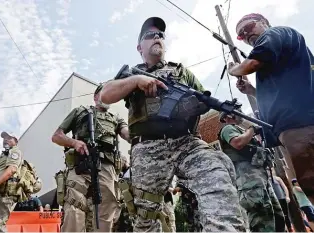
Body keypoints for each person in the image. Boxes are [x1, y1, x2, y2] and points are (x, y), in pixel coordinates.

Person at [99, 16, 246, 232]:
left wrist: (225, 114)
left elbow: (205, 101)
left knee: (217, 179)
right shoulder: (130, 75)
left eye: (160, 35)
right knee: (146, 215)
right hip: (148, 149)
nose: (157, 37)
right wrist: (136, 81)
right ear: (140, 47)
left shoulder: (181, 72)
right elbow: (105, 95)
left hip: (186, 143)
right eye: (151, 35)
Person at [227, 13, 314, 203]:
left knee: (310, 181)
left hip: (299, 124)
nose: (246, 34)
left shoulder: (274, 33)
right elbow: (281, 94)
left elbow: (252, 64)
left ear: (264, 22)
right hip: (297, 124)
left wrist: (233, 68)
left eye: (249, 27)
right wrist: (251, 90)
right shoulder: (282, 56)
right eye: (241, 35)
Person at [51, 84, 130, 232]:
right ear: (95, 97)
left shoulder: (116, 119)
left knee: (107, 210)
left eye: (111, 93)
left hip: (107, 167)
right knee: (74, 206)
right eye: (104, 93)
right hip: (81, 164)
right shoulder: (80, 111)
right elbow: (57, 136)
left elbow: (127, 134)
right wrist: (74, 142)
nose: (108, 96)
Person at [219, 111, 285, 232]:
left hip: (261, 179)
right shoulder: (228, 128)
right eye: (238, 112)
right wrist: (252, 129)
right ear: (229, 116)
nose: (241, 114)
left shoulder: (242, 130)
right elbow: (238, 143)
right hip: (249, 181)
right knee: (262, 221)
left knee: (277, 218)